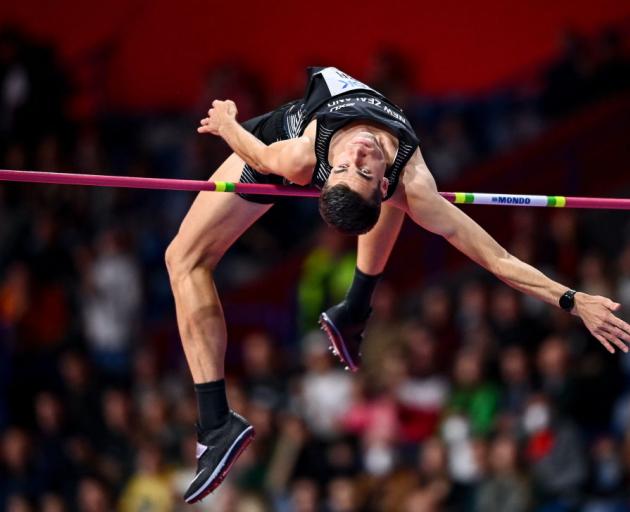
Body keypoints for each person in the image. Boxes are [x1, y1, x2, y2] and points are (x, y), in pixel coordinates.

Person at [165, 66, 630, 503]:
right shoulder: (389, 176)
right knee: (183, 259)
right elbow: (496, 258)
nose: (358, 155)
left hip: (278, 149)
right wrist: (574, 300)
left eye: (358, 169)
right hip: (272, 146)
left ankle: (230, 411)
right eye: (356, 168)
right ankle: (337, 325)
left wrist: (225, 120)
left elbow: (498, 259)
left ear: (381, 184)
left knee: (183, 259)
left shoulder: (333, 163)